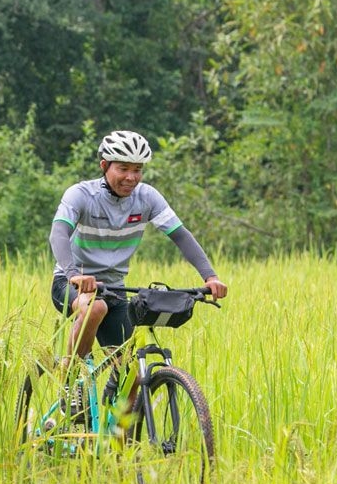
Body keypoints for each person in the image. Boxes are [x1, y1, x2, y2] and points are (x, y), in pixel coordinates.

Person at [50, 130, 228, 359]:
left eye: (137, 170)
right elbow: (59, 233)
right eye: (123, 169)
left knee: (128, 369)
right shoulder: (81, 194)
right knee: (95, 307)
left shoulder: (147, 197)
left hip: (114, 289)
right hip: (71, 283)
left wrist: (210, 277)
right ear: (104, 166)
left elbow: (180, 236)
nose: (131, 177)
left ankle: (126, 385)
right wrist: (74, 274)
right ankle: (70, 371)